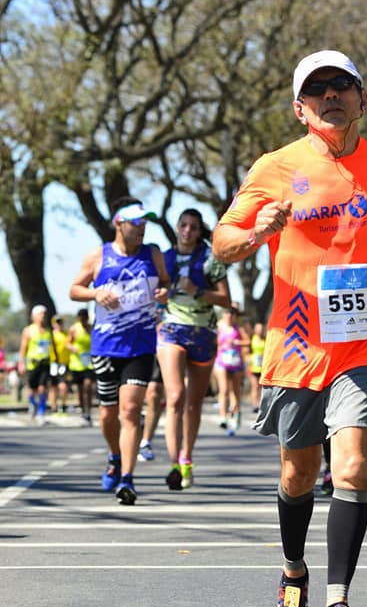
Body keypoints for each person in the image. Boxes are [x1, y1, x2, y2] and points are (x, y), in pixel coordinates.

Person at [213, 48, 367, 607]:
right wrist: (257, 231)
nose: (331, 96)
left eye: (342, 86)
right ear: (300, 109)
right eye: (317, 91)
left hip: (365, 340)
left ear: (363, 99)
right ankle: (294, 576)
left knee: (354, 467)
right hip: (296, 343)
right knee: (299, 474)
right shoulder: (276, 168)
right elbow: (223, 240)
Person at [69, 196, 170, 505]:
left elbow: (166, 284)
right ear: (119, 224)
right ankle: (114, 455)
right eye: (136, 223)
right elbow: (74, 290)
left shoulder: (152, 254)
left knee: (130, 410)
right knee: (107, 414)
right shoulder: (99, 256)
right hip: (105, 347)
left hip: (140, 346)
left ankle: (126, 479)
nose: (142, 229)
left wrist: (164, 293)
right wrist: (95, 293)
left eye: (145, 223)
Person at [157, 207, 230, 489]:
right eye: (183, 225)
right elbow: (153, 294)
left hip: (203, 334)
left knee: (193, 403)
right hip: (171, 330)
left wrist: (197, 291)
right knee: (175, 396)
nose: (187, 231)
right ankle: (174, 463)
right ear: (177, 227)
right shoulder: (163, 259)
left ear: (200, 232)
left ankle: (188, 456)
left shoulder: (211, 259)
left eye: (194, 227)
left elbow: (226, 299)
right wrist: (160, 297)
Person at [212, 305, 249, 435]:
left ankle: (236, 413)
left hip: (236, 362)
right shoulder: (219, 326)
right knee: (224, 389)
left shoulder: (238, 328)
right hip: (221, 361)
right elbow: (212, 340)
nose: (228, 316)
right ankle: (223, 416)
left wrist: (237, 343)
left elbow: (247, 341)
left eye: (231, 314)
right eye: (226, 313)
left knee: (235, 390)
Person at [18, 305, 53, 425]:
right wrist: (21, 363)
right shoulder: (28, 330)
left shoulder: (48, 330)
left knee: (43, 388)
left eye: (44, 314)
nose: (43, 316)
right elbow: (23, 348)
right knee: (32, 390)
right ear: (34, 316)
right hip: (33, 364)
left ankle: (41, 413)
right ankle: (33, 404)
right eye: (40, 314)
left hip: (45, 363)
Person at [67, 308, 95, 425]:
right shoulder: (74, 329)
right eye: (81, 318)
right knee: (79, 389)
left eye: (85, 317)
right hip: (77, 363)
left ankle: (88, 412)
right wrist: (72, 347)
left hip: (89, 363)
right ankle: (83, 411)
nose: (83, 320)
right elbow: (67, 343)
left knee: (88, 386)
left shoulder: (92, 328)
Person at [138, 359, 164, 461]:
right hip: (129, 350)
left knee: (154, 392)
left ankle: (145, 442)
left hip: (154, 349)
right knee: (130, 403)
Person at [49, 316, 71, 414]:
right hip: (53, 364)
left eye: (60, 322)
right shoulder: (50, 335)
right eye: (57, 322)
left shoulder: (67, 334)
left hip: (64, 363)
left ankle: (63, 405)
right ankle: (53, 407)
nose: (59, 324)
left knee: (63, 386)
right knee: (53, 386)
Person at [249, 322, 266, 412]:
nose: (260, 330)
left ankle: (260, 404)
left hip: (262, 367)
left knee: (261, 387)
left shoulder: (265, 339)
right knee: (254, 386)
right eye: (258, 328)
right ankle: (255, 404)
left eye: (261, 329)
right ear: (255, 330)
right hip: (253, 366)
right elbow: (247, 351)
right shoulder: (252, 338)